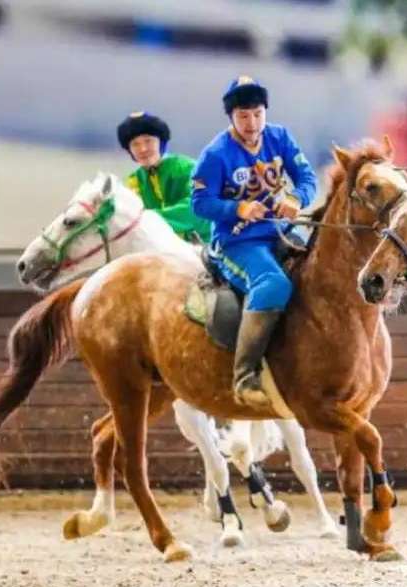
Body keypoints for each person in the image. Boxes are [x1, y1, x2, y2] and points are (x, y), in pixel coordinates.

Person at [190, 76, 317, 407]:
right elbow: (199, 204)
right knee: (273, 284)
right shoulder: (215, 155)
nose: (252, 123)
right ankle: (244, 378)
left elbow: (307, 178)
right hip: (237, 242)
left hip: (280, 231)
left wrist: (296, 198)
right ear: (231, 116)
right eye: (244, 115)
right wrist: (238, 208)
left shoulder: (280, 137)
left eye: (258, 114)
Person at [116, 111, 210, 243]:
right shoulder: (133, 182)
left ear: (161, 142)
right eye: (135, 144)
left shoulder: (191, 168)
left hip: (206, 248)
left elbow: (198, 206)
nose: (143, 149)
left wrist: (145, 220)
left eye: (148, 141)